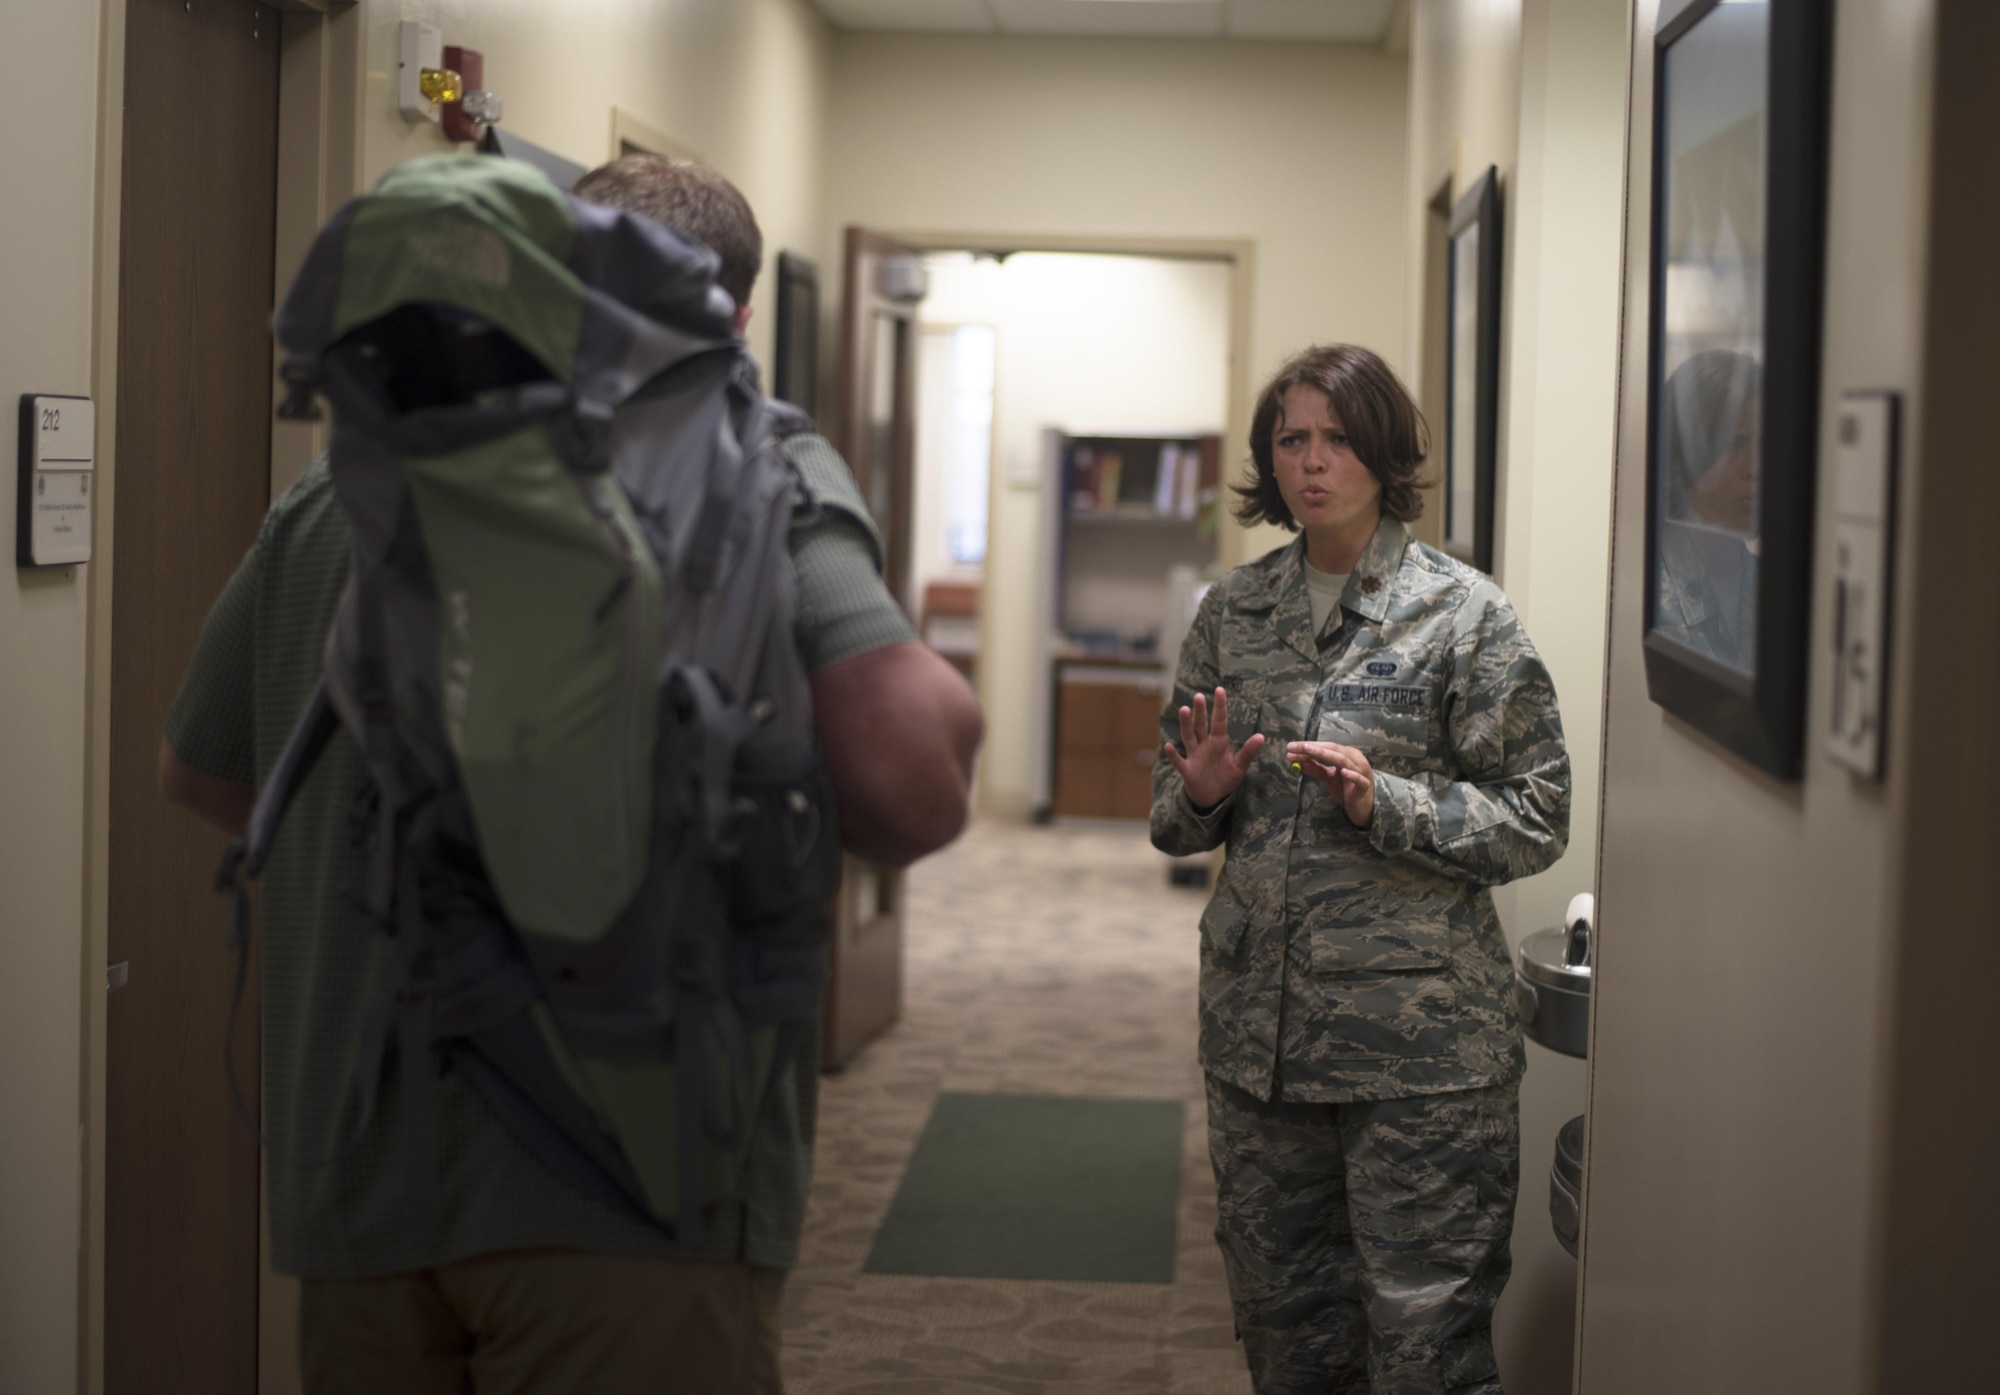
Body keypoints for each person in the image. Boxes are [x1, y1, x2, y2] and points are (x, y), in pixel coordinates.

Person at [159, 152, 982, 1395]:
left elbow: (207, 776)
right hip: (633, 1188)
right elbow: (911, 781)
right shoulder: (752, 464)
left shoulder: (344, 483)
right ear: (737, 320)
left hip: (359, 1180)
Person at [1151, 343, 1570, 1394]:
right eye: (1289, 439)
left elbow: (1535, 815)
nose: (1310, 462)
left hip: (1419, 1058)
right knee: (1289, 1335)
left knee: (1424, 1347)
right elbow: (1171, 822)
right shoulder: (1231, 616)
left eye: (1336, 438)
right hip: (1263, 1049)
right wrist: (1200, 790)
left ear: (1382, 453)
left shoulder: (1464, 615)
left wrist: (1386, 802)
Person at [1653, 349, 1762, 673]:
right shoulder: (1645, 594)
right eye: (1734, 446)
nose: (1756, 467)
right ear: (1683, 460)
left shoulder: (1778, 593)